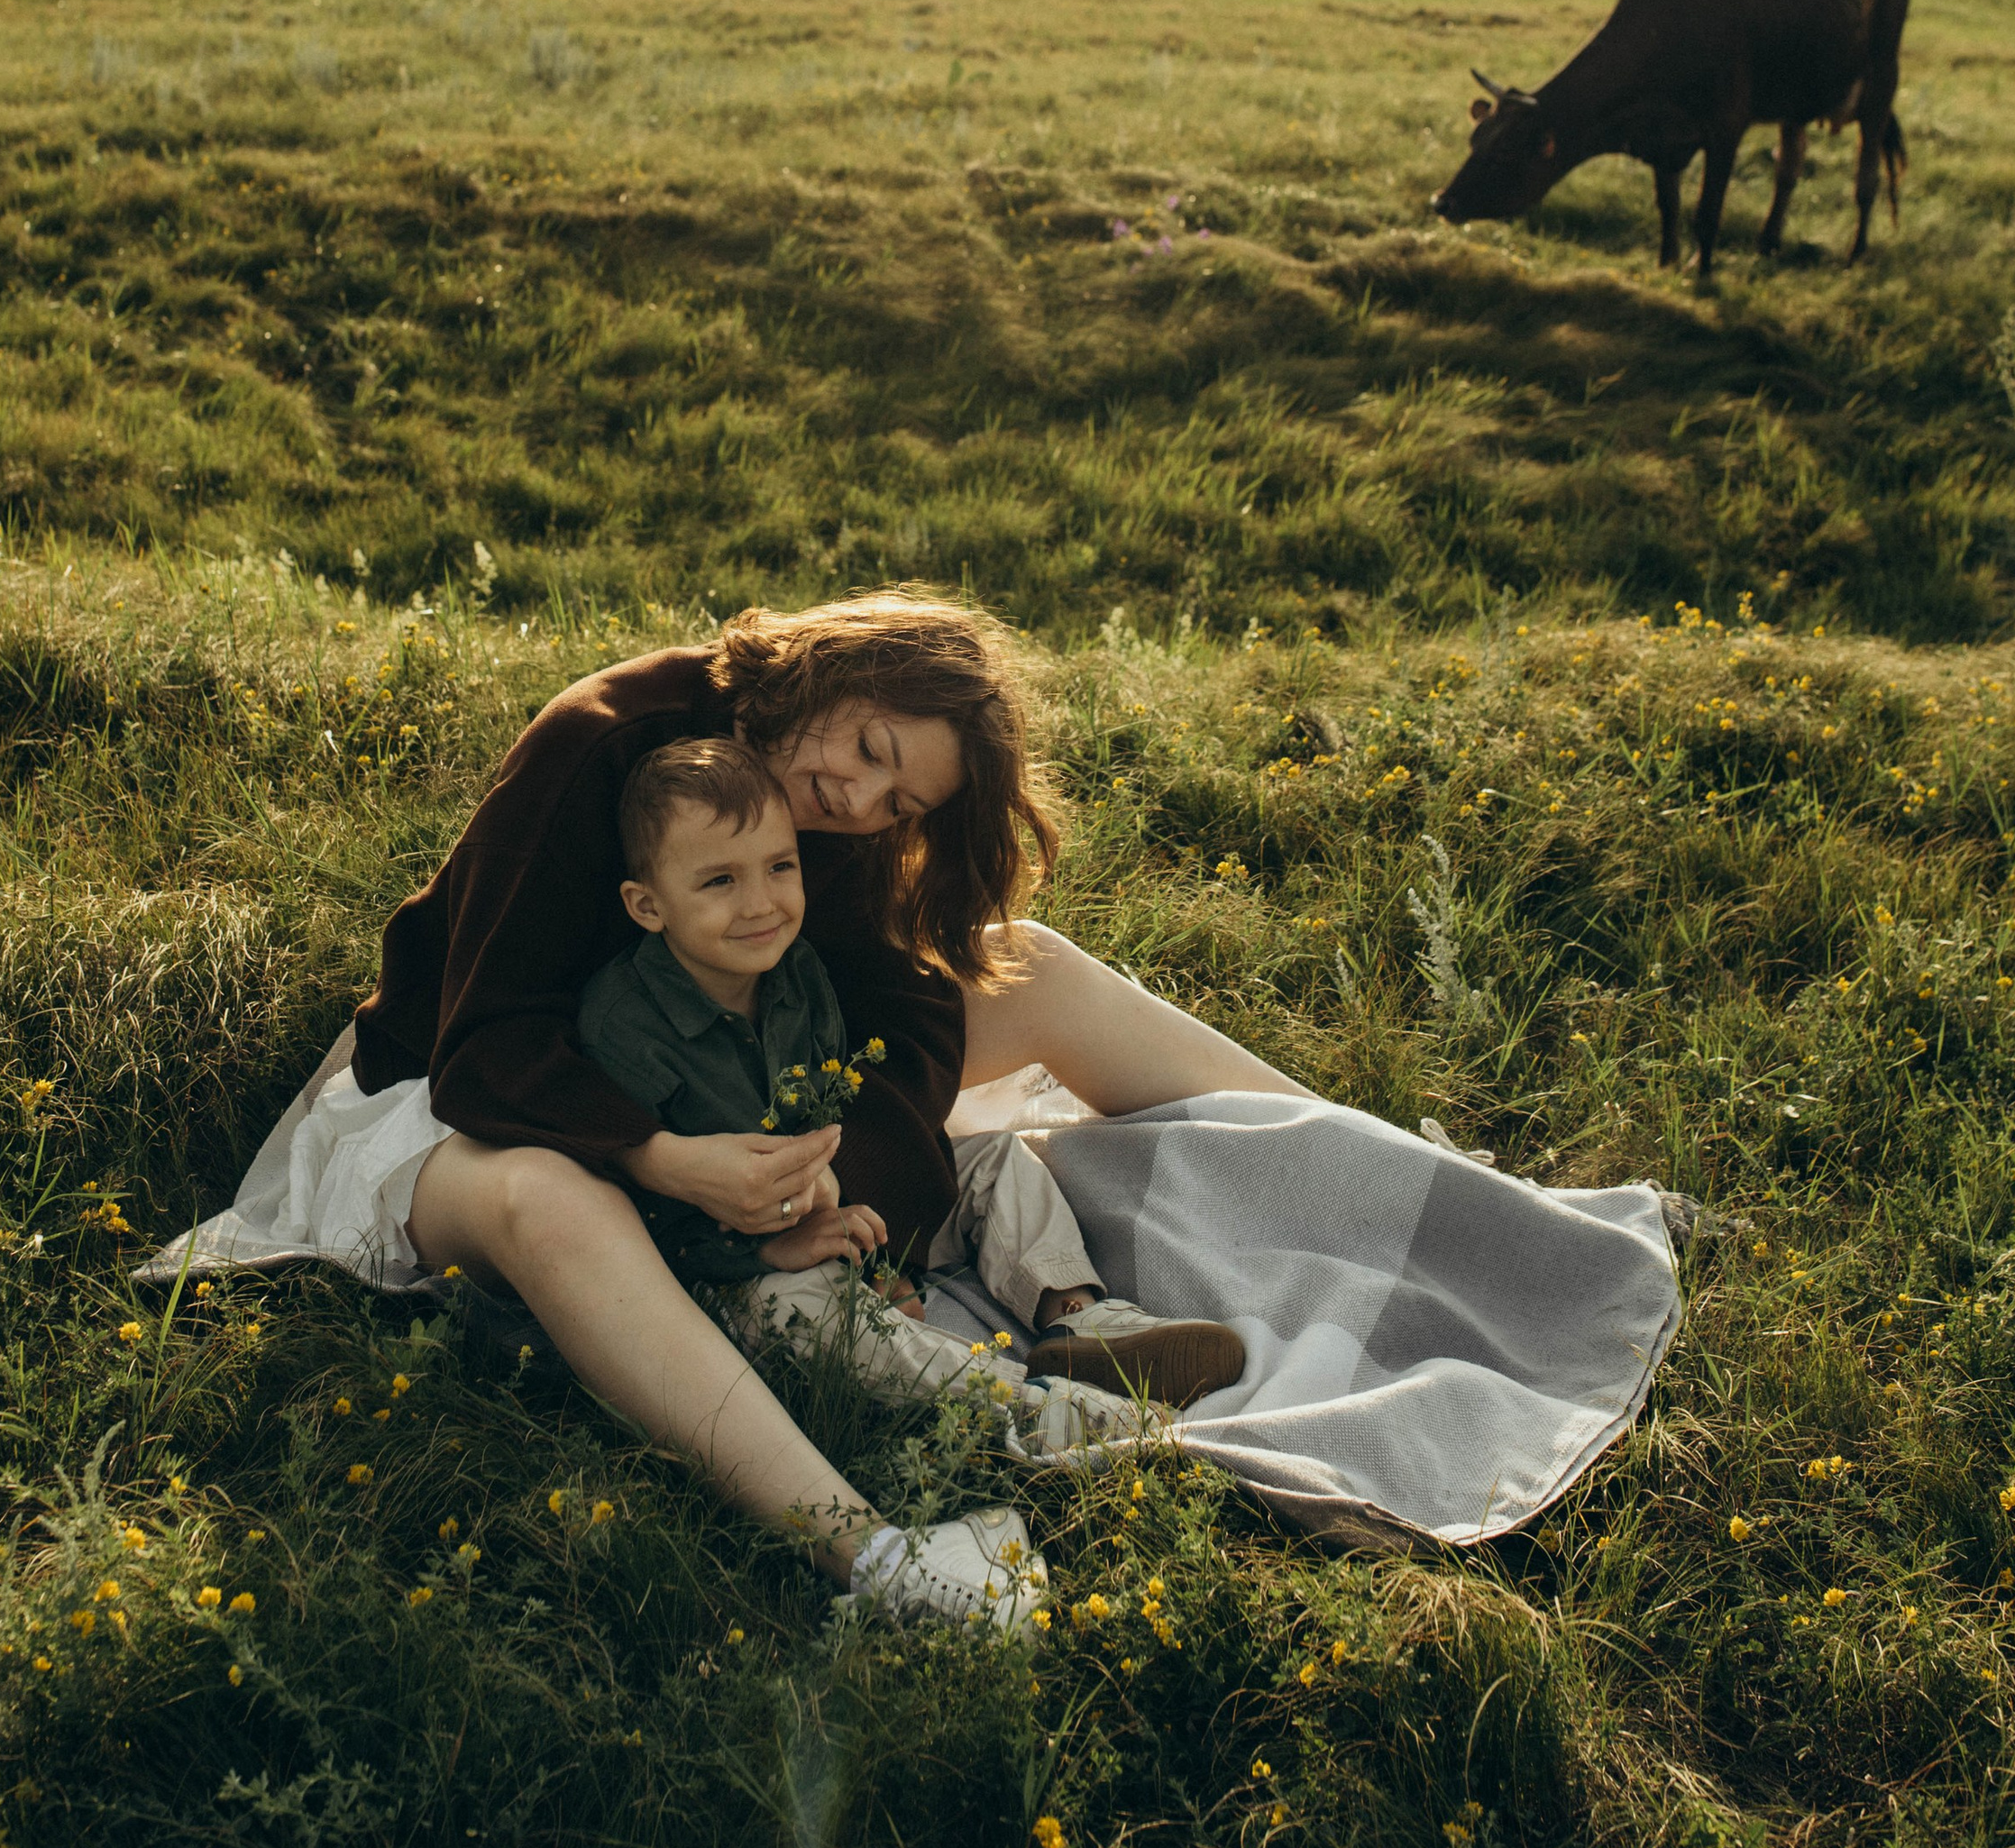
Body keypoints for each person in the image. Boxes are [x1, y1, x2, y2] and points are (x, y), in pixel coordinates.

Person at [278, 590, 1310, 1624]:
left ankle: (1359, 1160)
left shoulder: (825, 814)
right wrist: (654, 1155)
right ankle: (878, 1559)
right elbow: (484, 1038)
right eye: (867, 748)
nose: (858, 802)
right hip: (464, 1109)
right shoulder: (603, 740)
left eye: (898, 805)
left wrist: (839, 1185)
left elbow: (900, 1009)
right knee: (552, 1196)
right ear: (834, 670)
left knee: (1026, 965)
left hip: (728, 1074)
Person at [578, 734, 1245, 1421]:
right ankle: (1024, 1409)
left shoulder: (798, 973)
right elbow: (627, 1213)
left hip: (831, 1212)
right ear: (647, 906)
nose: (761, 903)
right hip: (735, 1270)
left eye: (780, 867)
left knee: (993, 1161)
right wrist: (765, 1249)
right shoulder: (624, 1026)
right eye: (720, 880)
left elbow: (839, 1120)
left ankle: (1076, 1316)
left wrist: (877, 1252)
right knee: (810, 1319)